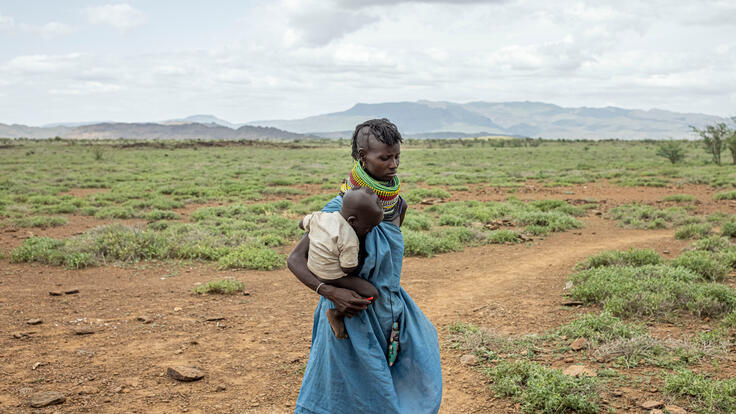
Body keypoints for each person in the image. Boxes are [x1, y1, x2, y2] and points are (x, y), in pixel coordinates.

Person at [287, 118, 443, 414]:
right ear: (362, 157)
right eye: (385, 157)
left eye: (397, 156)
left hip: (388, 311)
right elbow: (295, 260)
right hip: (350, 314)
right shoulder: (339, 209)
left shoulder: (398, 207)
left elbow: (387, 261)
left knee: (408, 377)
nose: (394, 164)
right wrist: (332, 293)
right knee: (346, 396)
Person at [299, 186, 384, 339]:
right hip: (331, 276)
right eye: (368, 227)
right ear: (352, 221)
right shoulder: (350, 239)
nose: (370, 231)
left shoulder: (321, 217)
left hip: (312, 267)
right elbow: (347, 268)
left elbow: (302, 223)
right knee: (372, 293)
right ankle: (337, 313)